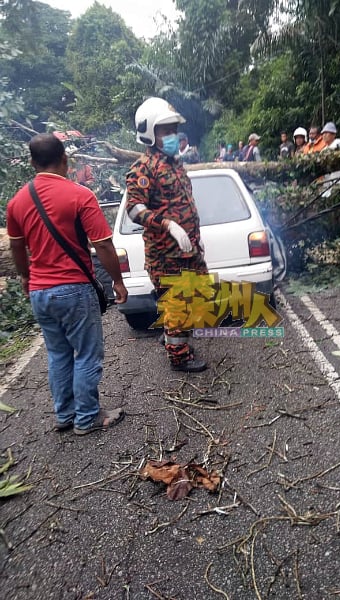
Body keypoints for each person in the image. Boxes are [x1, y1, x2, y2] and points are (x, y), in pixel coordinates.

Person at [6, 133, 128, 435]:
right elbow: (103, 245)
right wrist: (117, 281)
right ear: (65, 159)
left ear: (33, 163)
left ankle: (65, 414)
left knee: (58, 354)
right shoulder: (79, 195)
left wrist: (25, 277)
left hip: (39, 291)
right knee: (87, 353)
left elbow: (17, 248)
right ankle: (87, 418)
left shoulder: (17, 202)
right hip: (73, 288)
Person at [125, 97, 207, 373]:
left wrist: (196, 236)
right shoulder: (142, 169)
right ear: (149, 133)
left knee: (197, 296)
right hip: (166, 255)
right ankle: (179, 356)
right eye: (165, 131)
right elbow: (134, 210)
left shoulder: (175, 164)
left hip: (189, 249)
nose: (171, 136)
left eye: (173, 129)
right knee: (179, 304)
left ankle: (174, 338)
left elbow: (185, 202)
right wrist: (168, 225)